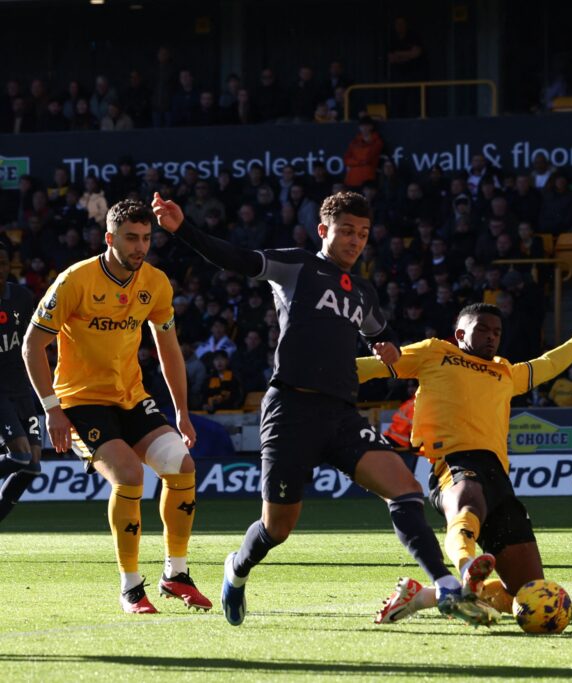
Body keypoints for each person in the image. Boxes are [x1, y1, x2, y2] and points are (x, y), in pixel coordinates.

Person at [151, 190, 492, 628]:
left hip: (341, 415)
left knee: (404, 489)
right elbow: (236, 258)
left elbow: (380, 332)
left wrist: (382, 344)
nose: (355, 240)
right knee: (278, 527)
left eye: (363, 233)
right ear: (323, 230)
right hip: (290, 409)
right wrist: (183, 231)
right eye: (347, 230)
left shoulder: (364, 293)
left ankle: (444, 585)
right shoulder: (298, 265)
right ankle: (236, 569)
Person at [357, 304, 572, 623]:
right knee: (469, 502)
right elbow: (374, 366)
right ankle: (467, 567)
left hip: (499, 480)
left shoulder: (506, 372)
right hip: (453, 462)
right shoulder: (435, 352)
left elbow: (549, 362)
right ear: (460, 334)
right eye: (483, 329)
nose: (491, 336)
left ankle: (420, 596)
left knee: (527, 593)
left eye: (497, 332)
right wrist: (310, 372)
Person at [22, 200, 210, 614]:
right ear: (110, 238)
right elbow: (33, 345)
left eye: (146, 238)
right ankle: (130, 587)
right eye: (131, 238)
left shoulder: (156, 283)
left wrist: (181, 411)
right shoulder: (75, 280)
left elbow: (169, 350)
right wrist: (51, 408)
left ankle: (174, 575)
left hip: (131, 397)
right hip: (80, 401)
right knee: (128, 476)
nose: (140, 246)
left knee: (182, 466)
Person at [0, 244, 41, 523]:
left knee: (33, 466)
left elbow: (35, 342)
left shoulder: (22, 297)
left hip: (21, 388)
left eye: (3, 263)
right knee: (19, 457)